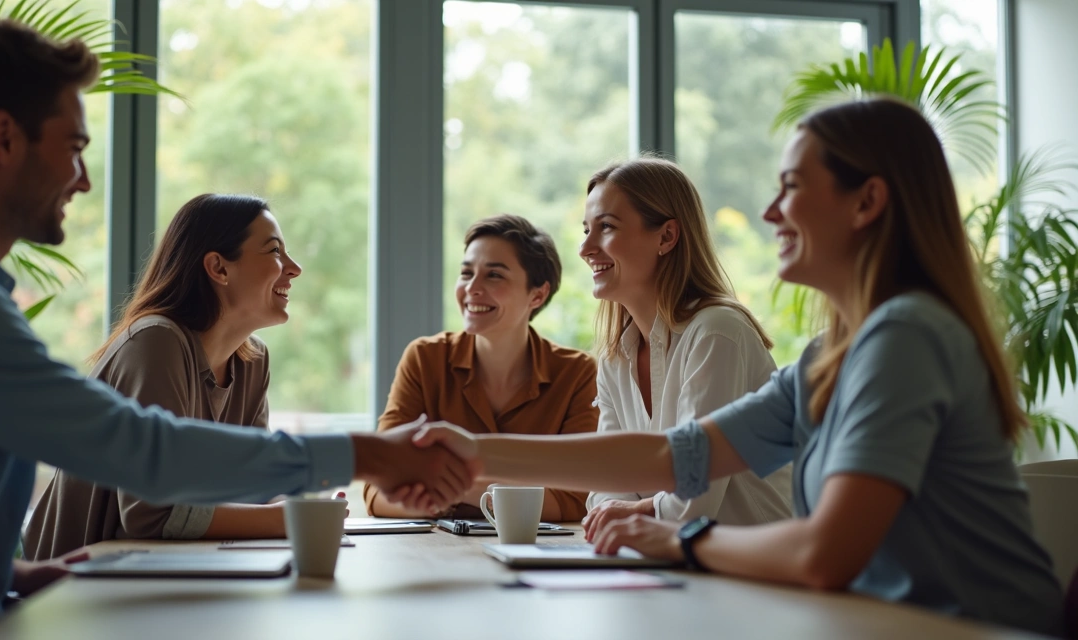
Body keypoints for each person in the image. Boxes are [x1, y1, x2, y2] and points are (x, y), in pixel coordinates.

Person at [0, 19, 474, 637]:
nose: (84, 179)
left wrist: (9, 578)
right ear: (2, 138)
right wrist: (365, 455)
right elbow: (141, 449)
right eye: (73, 147)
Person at [409, 98, 1065, 636]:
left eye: (791, 188)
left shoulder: (906, 336)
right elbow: (675, 456)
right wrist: (471, 453)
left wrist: (680, 541)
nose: (769, 212)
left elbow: (823, 553)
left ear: (866, 203)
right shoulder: (827, 359)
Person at [24, 193, 320, 560]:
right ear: (219, 268)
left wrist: (296, 508)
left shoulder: (252, 359)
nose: (294, 268)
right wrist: (284, 519)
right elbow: (151, 514)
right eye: (275, 251)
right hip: (75, 591)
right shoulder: (156, 341)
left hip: (169, 572)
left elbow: (254, 484)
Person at [578, 158, 792, 535]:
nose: (585, 248)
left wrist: (627, 513)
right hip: (667, 560)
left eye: (606, 227)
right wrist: (621, 512)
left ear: (666, 237)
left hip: (755, 573)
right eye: (586, 230)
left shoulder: (716, 332)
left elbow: (694, 502)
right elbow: (607, 483)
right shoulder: (614, 356)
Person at [364, 215, 597, 521]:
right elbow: (378, 487)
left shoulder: (577, 373)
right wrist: (504, 493)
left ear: (537, 294)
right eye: (466, 273)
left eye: (494, 276)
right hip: (437, 555)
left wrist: (450, 486)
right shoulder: (424, 358)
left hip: (536, 554)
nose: (471, 288)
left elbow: (577, 500)